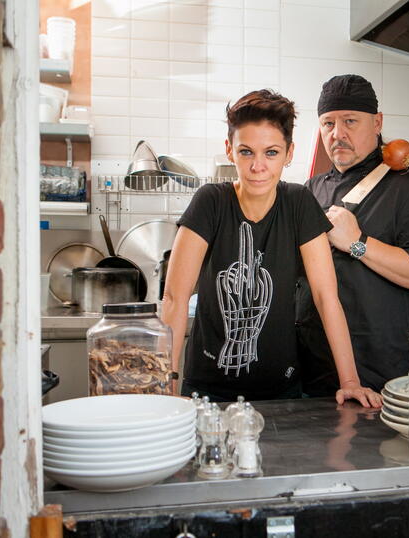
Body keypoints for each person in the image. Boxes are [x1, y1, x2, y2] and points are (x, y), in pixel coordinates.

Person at [161, 89, 381, 407]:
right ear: (229, 150)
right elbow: (174, 298)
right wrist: (165, 382)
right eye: (246, 152)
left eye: (271, 152)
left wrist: (350, 382)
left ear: (289, 153)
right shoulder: (210, 202)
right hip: (207, 391)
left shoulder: (298, 203)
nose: (258, 166)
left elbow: (326, 296)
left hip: (281, 391)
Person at [296, 74, 409, 395]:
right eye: (328, 123)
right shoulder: (311, 189)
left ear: (377, 123)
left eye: (350, 121)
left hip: (379, 371)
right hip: (312, 366)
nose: (338, 134)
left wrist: (358, 243)